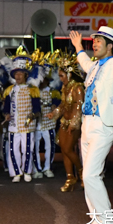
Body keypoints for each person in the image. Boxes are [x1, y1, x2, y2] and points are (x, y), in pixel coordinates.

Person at [70, 26, 113, 224]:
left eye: (98, 41)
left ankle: (107, 218)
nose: (94, 44)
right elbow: (85, 63)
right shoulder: (95, 65)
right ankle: (97, 219)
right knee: (90, 176)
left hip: (103, 125)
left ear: (111, 46)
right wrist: (78, 47)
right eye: (93, 41)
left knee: (89, 175)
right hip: (87, 125)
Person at [47, 51, 85, 192]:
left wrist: (75, 123)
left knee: (68, 149)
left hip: (74, 123)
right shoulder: (65, 87)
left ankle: (82, 173)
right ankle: (70, 177)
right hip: (64, 122)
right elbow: (63, 105)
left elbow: (79, 106)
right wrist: (54, 113)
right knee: (64, 150)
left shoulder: (78, 88)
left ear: (69, 74)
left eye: (62, 76)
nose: (61, 79)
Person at [2, 50, 41, 183]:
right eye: (16, 74)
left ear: (25, 75)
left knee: (27, 149)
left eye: (20, 74)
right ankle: (16, 172)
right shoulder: (10, 90)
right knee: (13, 149)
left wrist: (33, 115)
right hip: (13, 124)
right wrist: (6, 114)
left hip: (27, 124)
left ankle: (27, 171)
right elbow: (6, 106)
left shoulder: (32, 90)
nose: (17, 76)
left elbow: (37, 108)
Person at [36, 65, 61, 179]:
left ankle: (47, 168)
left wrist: (54, 108)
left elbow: (57, 106)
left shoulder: (53, 92)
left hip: (49, 123)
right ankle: (36, 168)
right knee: (34, 147)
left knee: (49, 146)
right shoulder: (34, 91)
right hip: (36, 124)